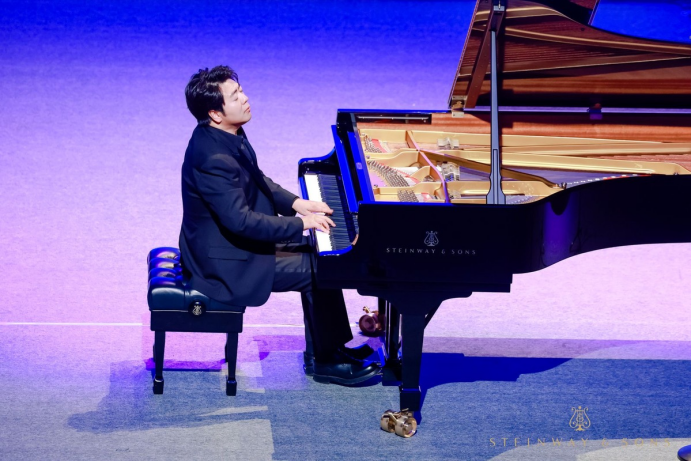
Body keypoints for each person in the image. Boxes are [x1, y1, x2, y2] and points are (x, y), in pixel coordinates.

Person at [178, 65, 380, 385]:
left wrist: (297, 204)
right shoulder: (213, 158)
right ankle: (327, 362)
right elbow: (241, 222)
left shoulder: (226, 134)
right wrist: (301, 224)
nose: (245, 98)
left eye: (241, 90)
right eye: (235, 96)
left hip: (230, 243)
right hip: (224, 262)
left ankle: (327, 350)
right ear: (215, 113)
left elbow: (258, 180)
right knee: (321, 268)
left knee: (321, 254)